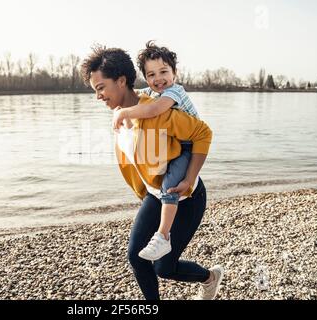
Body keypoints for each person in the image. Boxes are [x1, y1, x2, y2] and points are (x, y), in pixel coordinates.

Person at [80, 45, 224, 300]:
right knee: (135, 257)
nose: (98, 96)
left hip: (187, 197)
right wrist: (144, 194)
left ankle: (210, 278)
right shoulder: (119, 116)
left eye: (101, 87)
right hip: (155, 195)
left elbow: (203, 134)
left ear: (121, 81)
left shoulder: (160, 111)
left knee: (164, 268)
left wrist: (189, 179)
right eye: (95, 90)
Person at [112, 41, 200, 261]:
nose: (158, 78)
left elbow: (154, 109)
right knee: (160, 180)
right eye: (151, 74)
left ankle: (163, 236)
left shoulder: (174, 92)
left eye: (163, 71)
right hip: (175, 144)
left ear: (174, 73)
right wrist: (121, 101)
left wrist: (124, 113)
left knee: (169, 186)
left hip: (188, 146)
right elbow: (136, 95)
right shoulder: (152, 91)